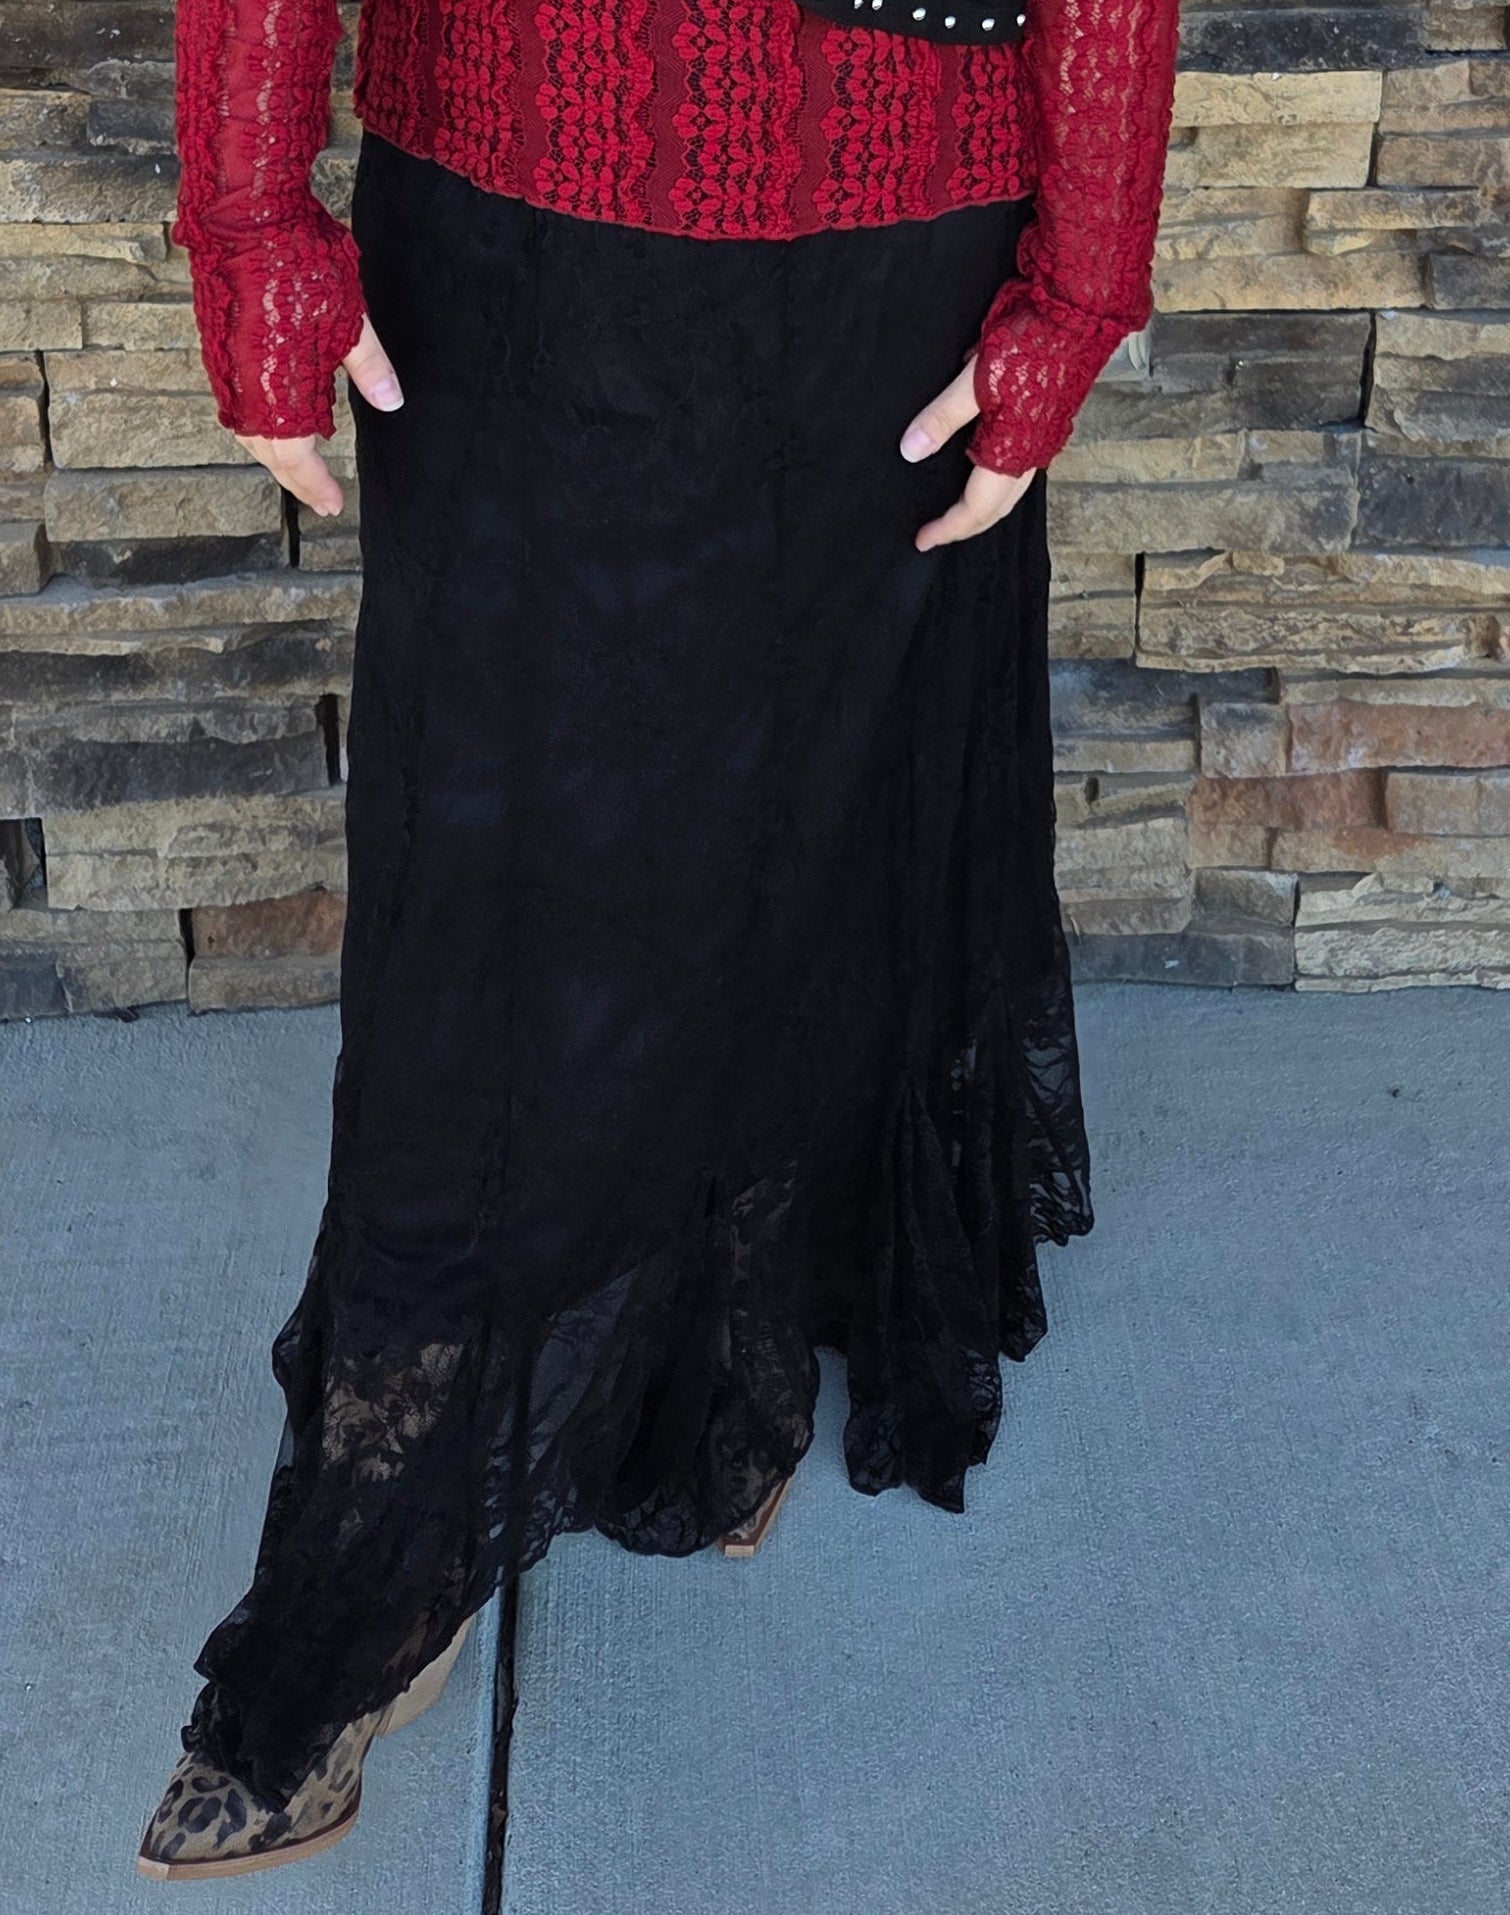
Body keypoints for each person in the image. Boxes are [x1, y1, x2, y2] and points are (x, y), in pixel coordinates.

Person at [135, 0, 1181, 1879]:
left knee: (810, 812)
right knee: (488, 894)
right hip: (520, 193)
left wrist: (1077, 290)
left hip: (895, 214)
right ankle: (388, 1549)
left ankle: (716, 1353)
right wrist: (252, 221)